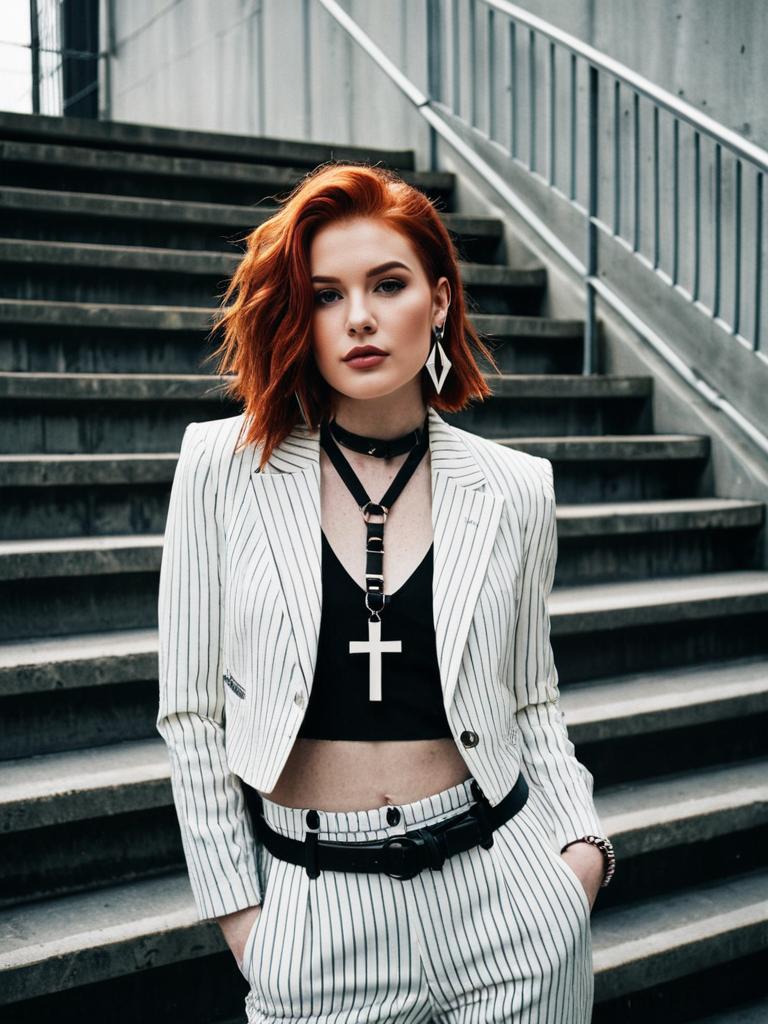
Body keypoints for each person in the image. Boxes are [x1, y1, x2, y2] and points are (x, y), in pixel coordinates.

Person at [156, 161, 615, 1024]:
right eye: (326, 295)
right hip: (316, 918)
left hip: (508, 900)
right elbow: (191, 716)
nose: (359, 317)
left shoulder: (514, 486)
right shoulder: (222, 468)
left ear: (439, 300)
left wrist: (580, 855)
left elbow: (532, 698)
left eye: (389, 284)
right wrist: (249, 925)